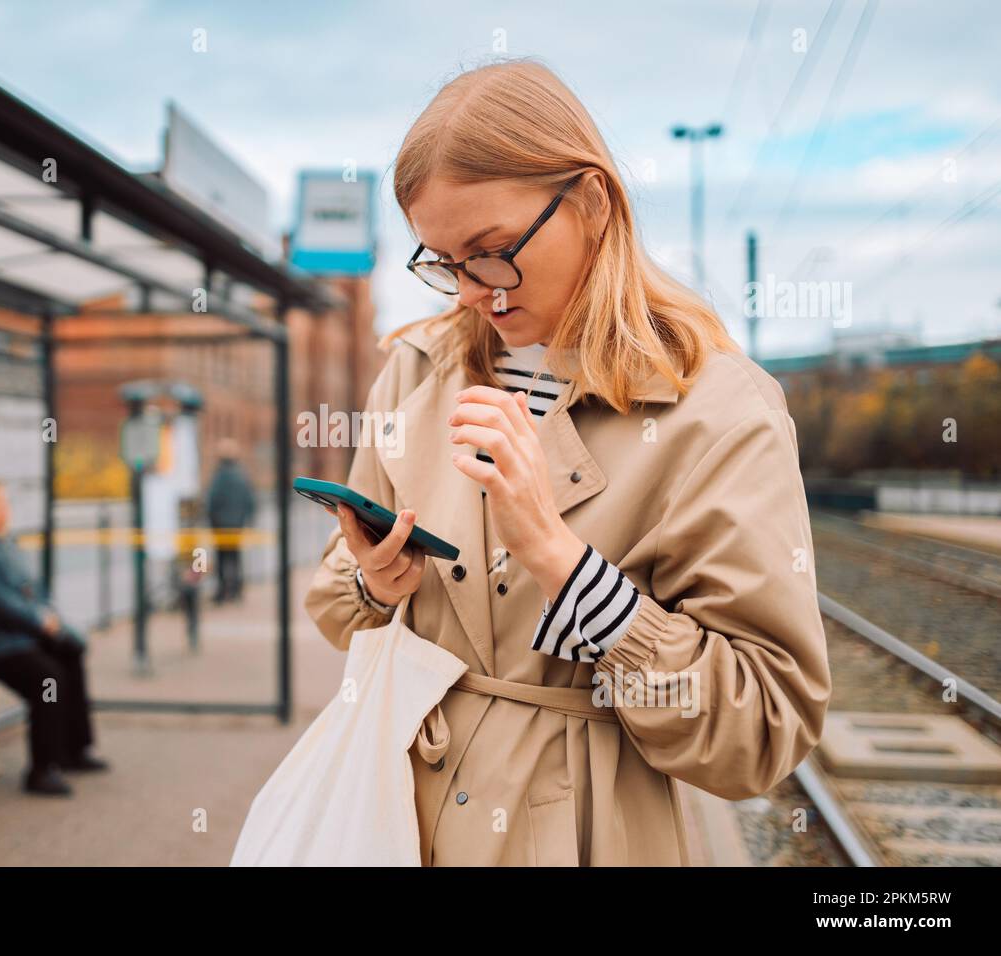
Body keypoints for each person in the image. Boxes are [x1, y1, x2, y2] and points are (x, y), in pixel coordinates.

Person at [304, 59, 831, 866]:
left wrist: (561, 561)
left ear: (591, 200)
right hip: (392, 819)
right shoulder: (414, 370)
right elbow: (336, 609)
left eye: (491, 251)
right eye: (443, 262)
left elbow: (760, 729)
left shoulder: (718, 411)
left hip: (582, 834)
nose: (474, 292)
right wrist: (376, 581)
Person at [0, 480, 108, 797]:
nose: (6, 508)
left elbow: (31, 589)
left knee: (69, 653)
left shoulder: (1, 543)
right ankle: (41, 770)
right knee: (48, 677)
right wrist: (37, 621)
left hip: (9, 636)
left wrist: (52, 623)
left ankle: (74, 750)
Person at [205, 437, 256, 604]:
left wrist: (210, 518)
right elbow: (250, 500)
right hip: (237, 525)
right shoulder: (242, 475)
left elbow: (212, 500)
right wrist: (248, 520)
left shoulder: (219, 476)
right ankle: (236, 589)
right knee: (235, 557)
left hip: (220, 525)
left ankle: (222, 591)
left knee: (221, 559)